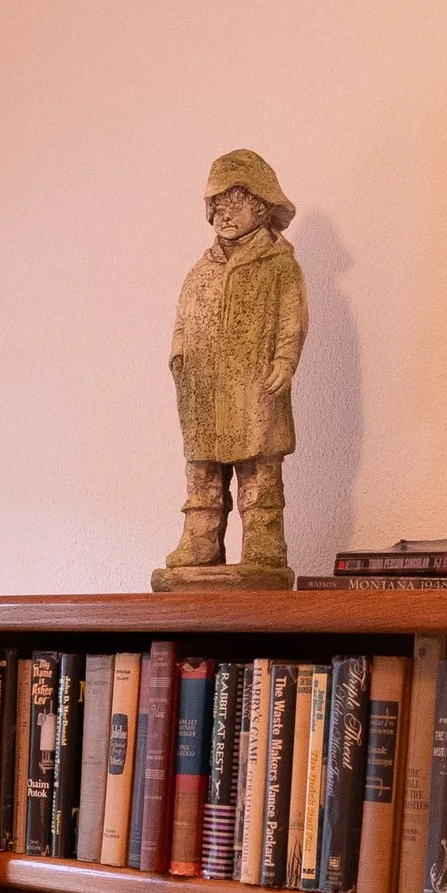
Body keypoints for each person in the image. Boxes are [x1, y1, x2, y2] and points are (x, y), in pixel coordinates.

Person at [160, 149, 306, 582]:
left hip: (255, 383)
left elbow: (291, 319)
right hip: (204, 387)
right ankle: (201, 538)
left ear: (260, 207)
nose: (225, 216)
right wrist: (179, 358)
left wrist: (284, 359)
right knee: (203, 468)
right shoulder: (200, 271)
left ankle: (263, 541)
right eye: (218, 208)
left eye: (236, 206)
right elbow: (184, 320)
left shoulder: (280, 267)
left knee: (259, 463)